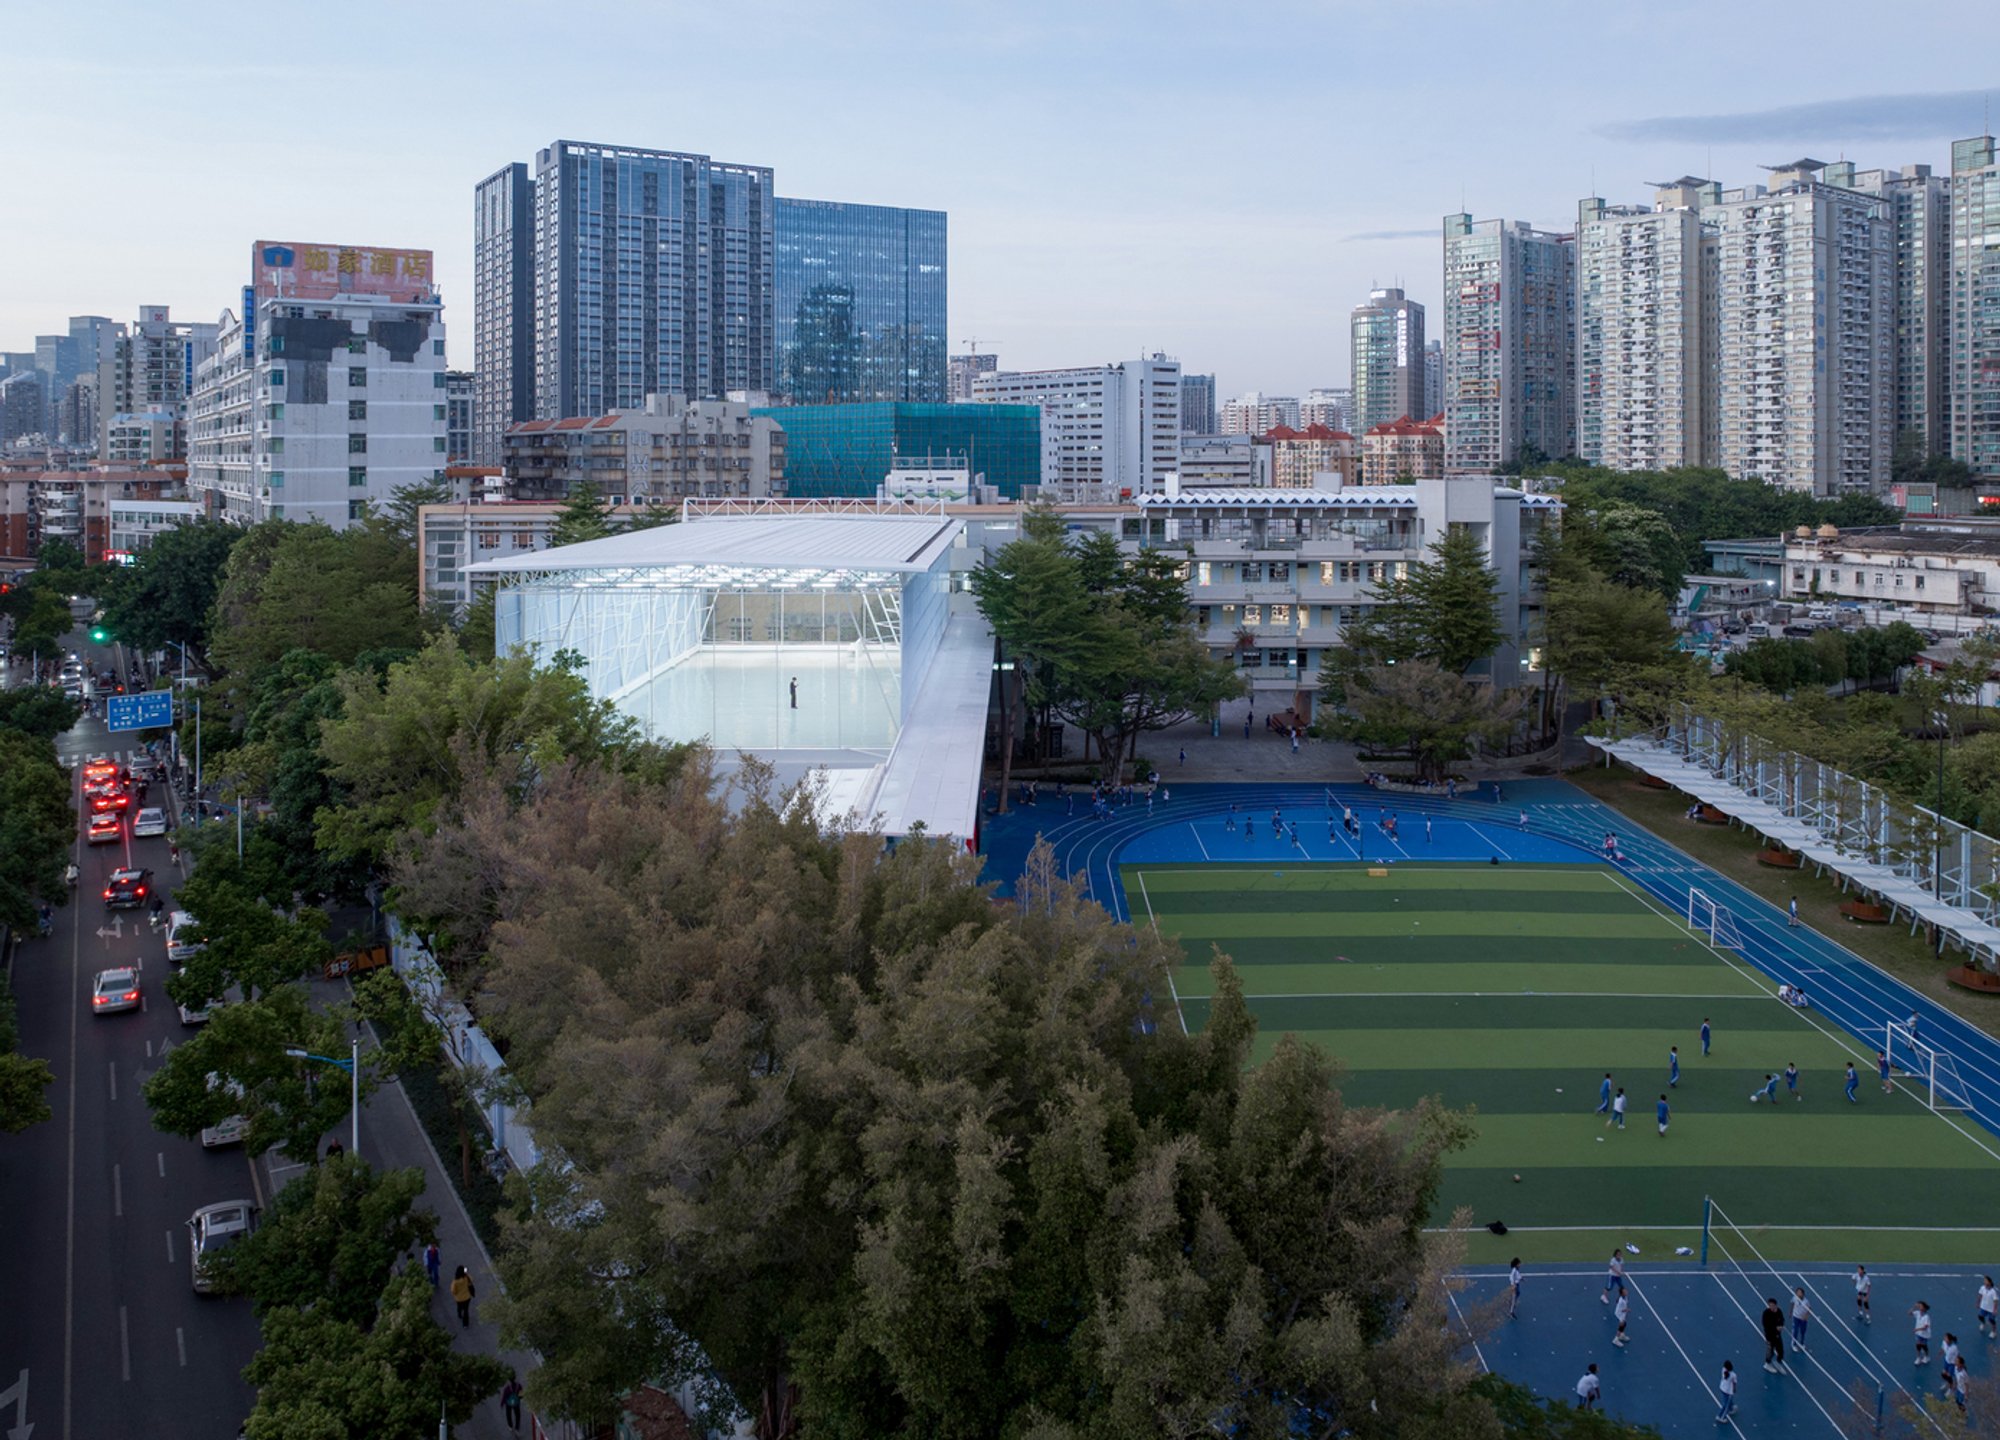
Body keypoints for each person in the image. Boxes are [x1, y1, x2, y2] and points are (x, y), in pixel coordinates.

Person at [1762, 1296, 1786, 1371]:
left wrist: (1781, 1326)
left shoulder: (1779, 1311)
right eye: (1770, 1305)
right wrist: (1775, 1328)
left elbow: (1782, 1319)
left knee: (1780, 1350)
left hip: (1777, 1335)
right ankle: (1767, 1363)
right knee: (1770, 1351)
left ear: (1776, 1305)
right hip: (1770, 1335)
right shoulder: (1766, 1313)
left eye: (1772, 1305)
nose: (1771, 1307)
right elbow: (1765, 1324)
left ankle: (1778, 1361)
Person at [1714, 1359, 1737, 1424]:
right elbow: (1734, 1383)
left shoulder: (1723, 1370)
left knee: (1727, 1400)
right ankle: (1721, 1417)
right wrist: (1734, 1389)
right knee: (1725, 1405)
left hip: (1722, 1387)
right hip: (1728, 1391)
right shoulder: (1733, 1375)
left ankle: (1732, 1407)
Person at [1791, 1287, 1812, 1352]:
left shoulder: (1806, 1301)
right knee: (1796, 1330)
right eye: (1797, 1292)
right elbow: (1792, 1303)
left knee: (1803, 1331)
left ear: (1803, 1294)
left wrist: (1806, 1316)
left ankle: (1802, 1343)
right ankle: (1794, 1344)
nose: (1798, 1294)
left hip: (1803, 1319)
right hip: (1796, 1317)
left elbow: (1809, 1309)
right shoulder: (1794, 1298)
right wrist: (1791, 1312)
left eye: (1799, 1292)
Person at [1978, 1274, 1998, 1339]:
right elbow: (1980, 1295)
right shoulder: (1982, 1288)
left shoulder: (1993, 1292)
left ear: (1989, 1282)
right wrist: (1978, 1302)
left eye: (1986, 1280)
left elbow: (1995, 1301)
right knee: (1980, 1316)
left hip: (1991, 1309)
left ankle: (1993, 1332)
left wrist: (1995, 1310)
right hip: (1983, 1307)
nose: (1984, 1282)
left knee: (1991, 1320)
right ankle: (1983, 1323)